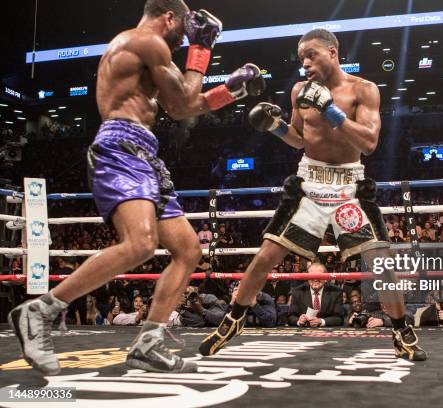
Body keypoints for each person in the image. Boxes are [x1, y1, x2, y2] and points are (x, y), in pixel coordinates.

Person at [9, 0, 264, 375]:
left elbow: (182, 108)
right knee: (141, 244)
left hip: (145, 154)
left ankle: (148, 343)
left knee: (188, 250)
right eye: (185, 31)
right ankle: (39, 311)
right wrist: (202, 49)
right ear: (169, 18)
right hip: (120, 147)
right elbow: (183, 98)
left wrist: (231, 91)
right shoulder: (145, 41)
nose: (184, 39)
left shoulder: (149, 52)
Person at [200, 29, 426, 361]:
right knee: (265, 256)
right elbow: (299, 139)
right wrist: (275, 127)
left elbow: (369, 143)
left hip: (350, 185)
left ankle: (400, 330)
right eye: (301, 57)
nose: (304, 63)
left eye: (311, 55)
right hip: (310, 182)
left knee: (382, 263)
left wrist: (332, 112)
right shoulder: (298, 91)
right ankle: (234, 319)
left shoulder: (363, 90)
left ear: (333, 52)